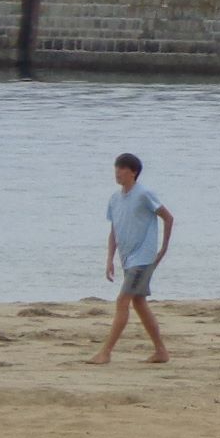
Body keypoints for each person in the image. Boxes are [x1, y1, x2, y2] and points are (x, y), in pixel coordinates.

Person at [90, 152, 174, 364]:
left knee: (122, 301)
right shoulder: (115, 199)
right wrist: (110, 259)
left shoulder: (144, 194)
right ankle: (161, 351)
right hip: (127, 258)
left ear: (133, 172)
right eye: (116, 168)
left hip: (143, 257)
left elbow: (168, 217)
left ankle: (106, 352)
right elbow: (114, 230)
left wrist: (163, 248)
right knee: (138, 302)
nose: (117, 172)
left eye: (122, 168)